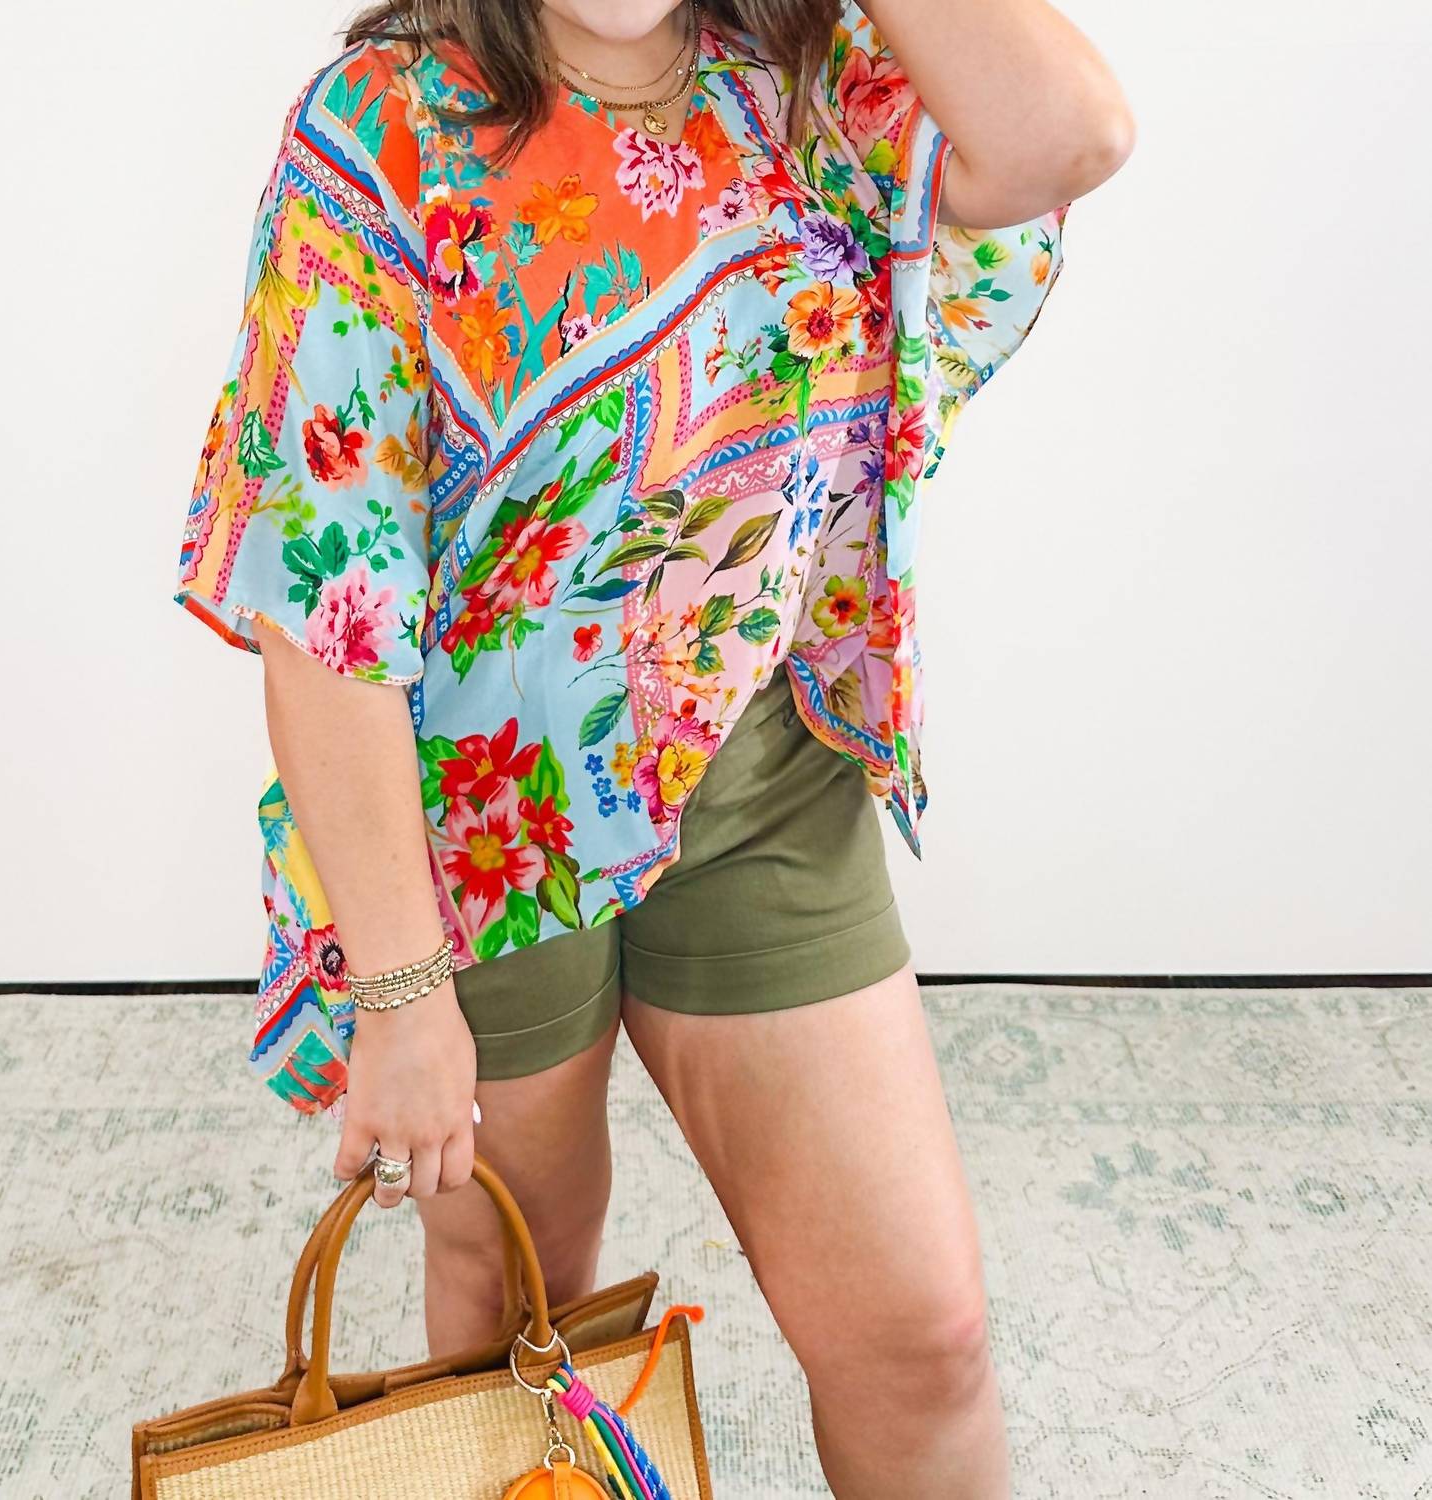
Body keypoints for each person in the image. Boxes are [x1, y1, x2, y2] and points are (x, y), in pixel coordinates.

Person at [173, 1, 1131, 1493]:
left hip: (760, 781)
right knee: (514, 1317)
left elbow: (1069, 135)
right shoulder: (380, 132)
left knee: (922, 1338)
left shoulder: (817, 78)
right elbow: (323, 608)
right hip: (482, 831)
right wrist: (403, 995)